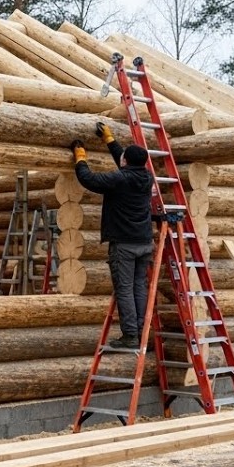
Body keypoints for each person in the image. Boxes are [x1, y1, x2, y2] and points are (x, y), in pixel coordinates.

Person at [70, 122, 154, 350]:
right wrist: (109, 139)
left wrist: (80, 157)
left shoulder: (120, 179)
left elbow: (90, 180)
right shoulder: (146, 177)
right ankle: (141, 332)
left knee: (125, 288)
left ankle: (130, 336)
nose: (122, 159)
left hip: (124, 245)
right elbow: (124, 160)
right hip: (144, 242)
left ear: (126, 162)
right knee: (139, 287)